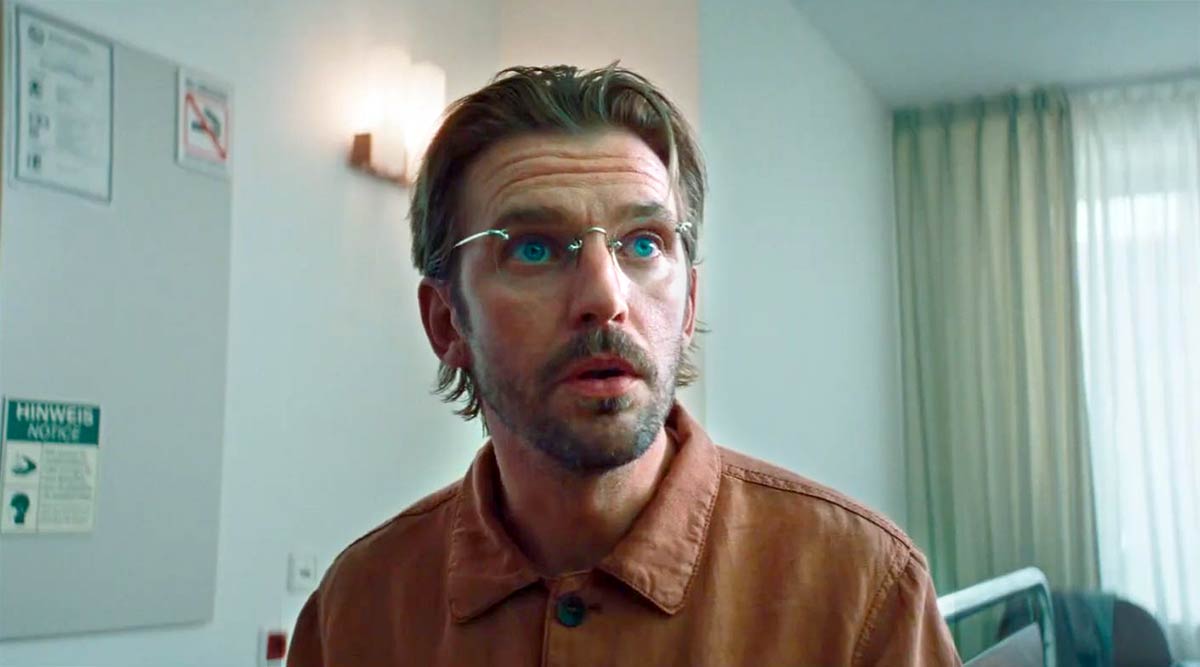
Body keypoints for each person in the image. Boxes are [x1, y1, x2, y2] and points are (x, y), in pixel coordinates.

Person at [288, 64, 961, 666]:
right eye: (533, 249)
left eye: (643, 243)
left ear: (688, 302)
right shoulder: (356, 612)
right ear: (446, 322)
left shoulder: (864, 592)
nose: (606, 298)